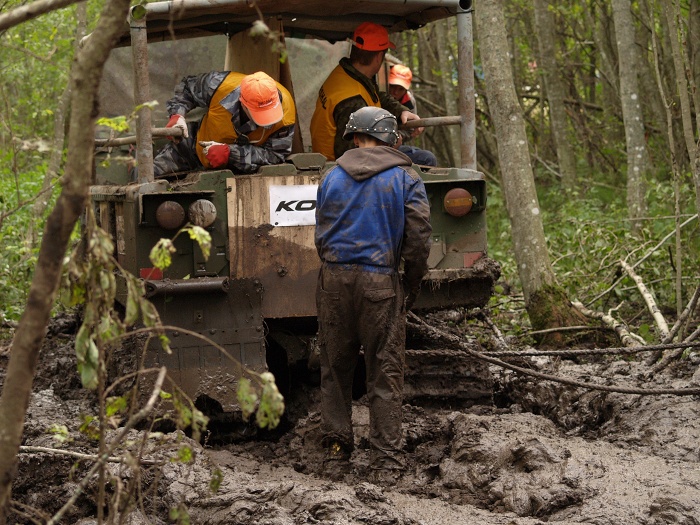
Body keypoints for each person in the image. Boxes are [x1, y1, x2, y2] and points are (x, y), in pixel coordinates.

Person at [314, 106, 432, 485]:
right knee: (384, 370)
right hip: (380, 282)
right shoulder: (406, 177)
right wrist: (411, 283)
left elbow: (321, 233)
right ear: (390, 139)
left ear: (354, 137)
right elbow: (418, 239)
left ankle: (334, 453)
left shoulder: (330, 176)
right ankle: (386, 461)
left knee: (335, 368)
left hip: (333, 280)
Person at [310, 22, 425, 162]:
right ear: (378, 57)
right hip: (341, 165)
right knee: (425, 160)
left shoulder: (347, 73)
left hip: (360, 154)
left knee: (422, 157)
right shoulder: (353, 101)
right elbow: (352, 157)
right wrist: (390, 145)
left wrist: (401, 111)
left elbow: (376, 96)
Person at [153, 71, 296, 176]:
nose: (267, 120)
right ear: (243, 104)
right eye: (260, 113)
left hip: (241, 172)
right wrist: (177, 115)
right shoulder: (218, 85)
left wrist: (231, 153)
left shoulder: (286, 113)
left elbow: (274, 155)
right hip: (192, 148)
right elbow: (187, 88)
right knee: (148, 178)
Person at [388, 64, 438, 166]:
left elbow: (410, 130)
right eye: (392, 86)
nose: (395, 92)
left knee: (427, 158)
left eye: (400, 89)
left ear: (406, 89)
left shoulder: (409, 101)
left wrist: (398, 136)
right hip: (372, 147)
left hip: (395, 147)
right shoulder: (377, 95)